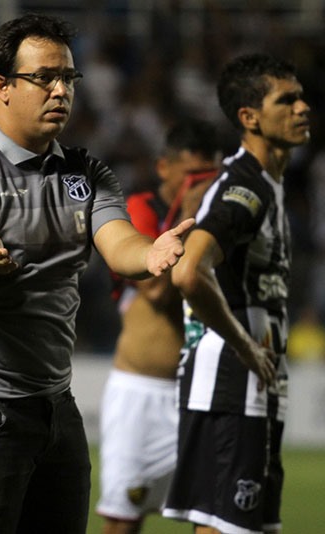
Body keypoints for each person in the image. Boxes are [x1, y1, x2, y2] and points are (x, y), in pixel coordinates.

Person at [0, 13, 194, 534]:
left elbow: (118, 243)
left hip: (52, 403)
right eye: (45, 78)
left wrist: (151, 254)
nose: (61, 90)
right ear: (3, 86)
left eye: (68, 78)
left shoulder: (85, 173)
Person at [162, 53, 311, 534]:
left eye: (300, 96)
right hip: (231, 383)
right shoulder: (242, 187)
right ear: (249, 118)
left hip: (253, 386)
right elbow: (188, 272)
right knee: (226, 526)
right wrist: (246, 346)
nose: (302, 107)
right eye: (285, 100)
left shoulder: (268, 183)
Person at [96, 117, 220, 534]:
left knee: (216, 519)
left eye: (211, 175)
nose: (202, 186)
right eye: (194, 175)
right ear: (165, 168)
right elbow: (157, 293)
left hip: (205, 393)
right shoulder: (137, 213)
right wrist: (188, 215)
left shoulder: (224, 219)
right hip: (143, 395)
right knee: (122, 521)